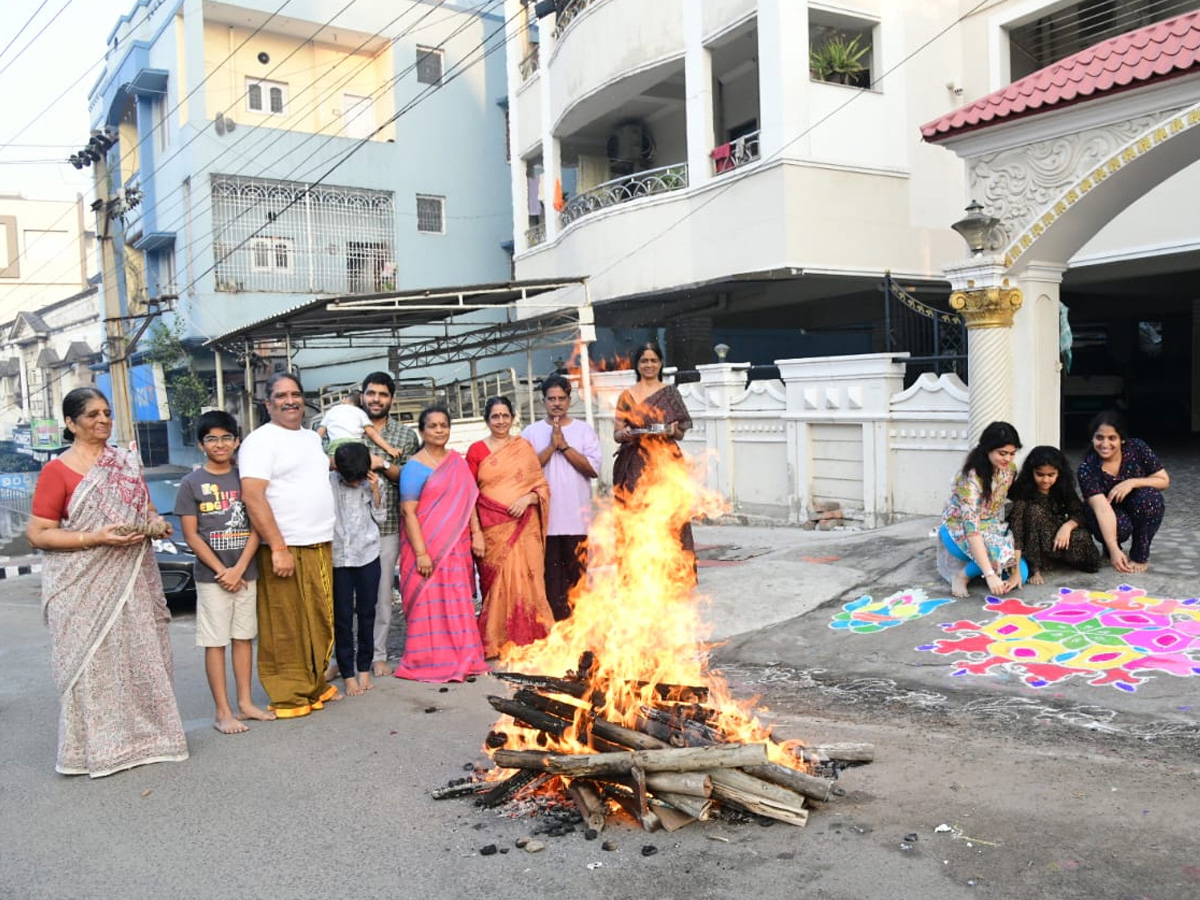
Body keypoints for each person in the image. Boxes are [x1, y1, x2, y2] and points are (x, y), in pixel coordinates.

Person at [27, 386, 188, 777]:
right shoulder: (57, 471)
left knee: (140, 657)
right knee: (94, 664)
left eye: (106, 414)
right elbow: (39, 533)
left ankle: (149, 739)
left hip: (133, 579)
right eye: (92, 415)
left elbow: (148, 509)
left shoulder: (126, 465)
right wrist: (95, 538)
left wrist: (157, 524)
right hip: (81, 583)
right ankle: (94, 749)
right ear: (71, 423)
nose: (102, 421)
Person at [239, 372, 341, 718]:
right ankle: (288, 693)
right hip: (284, 545)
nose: (290, 401)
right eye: (281, 395)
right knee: (285, 623)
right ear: (268, 403)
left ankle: (313, 684)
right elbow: (253, 496)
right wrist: (278, 546)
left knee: (319, 617)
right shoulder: (260, 441)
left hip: (318, 542)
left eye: (295, 394)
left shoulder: (312, 438)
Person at [174, 409, 273, 734]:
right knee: (215, 643)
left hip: (246, 573)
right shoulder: (191, 484)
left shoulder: (246, 478)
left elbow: (259, 524)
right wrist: (222, 570)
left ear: (237, 441)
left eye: (226, 438)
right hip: (212, 578)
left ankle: (245, 704)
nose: (220, 444)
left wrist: (241, 567)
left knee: (243, 639)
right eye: (212, 439)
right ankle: (223, 711)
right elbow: (191, 534)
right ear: (202, 444)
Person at [394, 406, 489, 682]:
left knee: (457, 600)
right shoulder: (414, 467)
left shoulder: (456, 462)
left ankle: (463, 656)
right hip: (425, 547)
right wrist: (422, 553)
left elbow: (469, 500)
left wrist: (477, 533)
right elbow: (408, 511)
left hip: (456, 547)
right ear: (422, 431)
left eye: (443, 425)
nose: (439, 430)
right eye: (433, 426)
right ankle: (428, 660)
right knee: (429, 603)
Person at [467, 396, 555, 657]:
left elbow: (541, 486)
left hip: (526, 525)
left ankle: (533, 640)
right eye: (495, 416)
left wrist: (528, 499)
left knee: (531, 580)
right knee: (497, 586)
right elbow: (470, 495)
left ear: (512, 417)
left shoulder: (523, 447)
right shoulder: (476, 451)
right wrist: (476, 533)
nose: (501, 421)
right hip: (492, 529)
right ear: (487, 420)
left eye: (505, 415)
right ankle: (497, 641)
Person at [521, 374, 601, 619]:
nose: (556, 403)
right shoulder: (531, 432)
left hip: (577, 522)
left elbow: (593, 469)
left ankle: (581, 635)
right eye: (551, 399)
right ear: (543, 401)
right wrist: (550, 448)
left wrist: (565, 447)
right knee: (551, 585)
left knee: (578, 585)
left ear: (569, 401)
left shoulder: (584, 431)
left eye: (562, 398)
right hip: (544, 524)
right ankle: (556, 638)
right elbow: (525, 472)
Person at [612, 341, 696, 565]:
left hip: (665, 463)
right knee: (637, 516)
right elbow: (617, 434)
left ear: (660, 364)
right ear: (637, 365)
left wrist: (671, 430)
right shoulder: (626, 396)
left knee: (668, 515)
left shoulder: (670, 393)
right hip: (634, 465)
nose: (649, 365)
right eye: (644, 361)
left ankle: (672, 573)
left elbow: (680, 434)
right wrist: (626, 434)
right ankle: (638, 573)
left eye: (653, 360)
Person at [360, 372, 419, 678]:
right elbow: (328, 462)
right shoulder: (349, 427)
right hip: (347, 528)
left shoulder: (405, 436)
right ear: (362, 395)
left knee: (382, 595)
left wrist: (381, 464)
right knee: (346, 597)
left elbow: (409, 478)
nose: (376, 399)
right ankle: (340, 659)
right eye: (371, 393)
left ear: (391, 399)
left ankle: (379, 654)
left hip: (388, 527)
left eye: (382, 394)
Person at [938, 420, 1029, 598]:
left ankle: (987, 567)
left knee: (1021, 575)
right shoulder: (970, 479)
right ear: (987, 449)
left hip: (991, 525)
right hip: (960, 528)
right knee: (996, 553)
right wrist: (990, 576)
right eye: (1002, 453)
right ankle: (961, 575)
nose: (1008, 459)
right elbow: (972, 529)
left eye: (1012, 453)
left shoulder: (1009, 470)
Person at [1076, 410, 1169, 575]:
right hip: (1107, 511)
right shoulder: (1087, 468)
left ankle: (1140, 554)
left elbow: (1163, 480)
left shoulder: (1137, 448)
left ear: (1122, 439)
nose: (1105, 444)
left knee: (1151, 499)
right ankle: (1110, 547)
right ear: (1092, 438)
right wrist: (1113, 549)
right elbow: (1102, 508)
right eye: (1099, 438)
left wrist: (1132, 482)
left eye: (1112, 438)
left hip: (1136, 503)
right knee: (1120, 526)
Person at [329, 442, 387, 696]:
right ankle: (347, 673)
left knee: (366, 613)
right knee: (342, 617)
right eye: (349, 477)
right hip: (339, 558)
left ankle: (364, 668)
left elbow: (382, 518)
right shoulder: (329, 482)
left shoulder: (373, 482)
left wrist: (374, 492)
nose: (354, 482)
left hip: (368, 555)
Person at [1009, 445, 1101, 585]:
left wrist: (1067, 527)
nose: (1045, 480)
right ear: (1031, 472)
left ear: (1059, 473)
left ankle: (1057, 559)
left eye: (1051, 475)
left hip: (1057, 535)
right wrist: (1029, 569)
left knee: (1083, 540)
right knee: (1034, 511)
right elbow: (1018, 530)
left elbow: (1079, 513)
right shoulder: (1022, 492)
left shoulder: (1062, 487)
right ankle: (1036, 566)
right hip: (1034, 541)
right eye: (1040, 474)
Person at [317, 389, 406, 460]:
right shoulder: (360, 412)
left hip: (335, 448)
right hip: (356, 447)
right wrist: (390, 449)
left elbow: (320, 432)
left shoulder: (331, 411)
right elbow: (372, 433)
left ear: (343, 399)